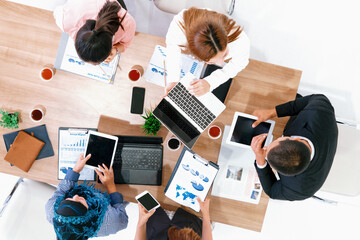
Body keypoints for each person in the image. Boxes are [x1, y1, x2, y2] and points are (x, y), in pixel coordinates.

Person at [250, 94, 338, 201]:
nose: (276, 139)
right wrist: (272, 112)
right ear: (295, 139)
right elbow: (313, 99)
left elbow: (272, 192)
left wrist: (260, 159)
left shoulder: (300, 189)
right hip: (312, 122)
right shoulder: (319, 111)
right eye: (278, 140)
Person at [165, 7, 250, 97]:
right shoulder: (179, 25)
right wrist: (172, 80)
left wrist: (210, 82)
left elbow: (239, 64)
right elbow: (172, 49)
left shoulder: (240, 40)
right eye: (211, 61)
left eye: (225, 53)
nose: (221, 63)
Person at [45, 154, 128, 239]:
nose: (76, 196)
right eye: (80, 203)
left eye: (69, 199)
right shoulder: (111, 222)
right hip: (113, 194)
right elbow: (121, 213)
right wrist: (110, 186)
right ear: (87, 215)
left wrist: (76, 170)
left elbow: (61, 190)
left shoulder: (51, 209)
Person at [53, 0, 136, 64]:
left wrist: (116, 49)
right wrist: (116, 50)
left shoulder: (126, 24)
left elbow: (125, 44)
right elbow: (57, 11)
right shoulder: (65, 21)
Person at [134, 197, 213, 240]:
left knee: (144, 196)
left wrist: (141, 222)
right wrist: (206, 214)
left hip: (156, 224)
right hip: (190, 219)